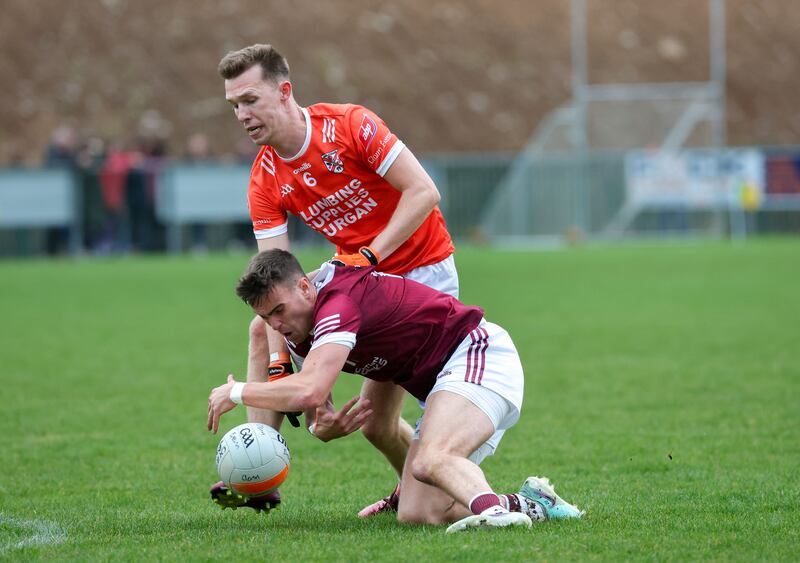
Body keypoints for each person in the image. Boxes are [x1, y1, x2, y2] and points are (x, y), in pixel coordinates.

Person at [212, 43, 459, 515]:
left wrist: (369, 255)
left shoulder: (348, 125)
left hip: (421, 271)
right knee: (263, 327)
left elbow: (424, 191)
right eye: (234, 106)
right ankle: (259, 470)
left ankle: (422, 493)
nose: (241, 115)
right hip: (359, 277)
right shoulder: (265, 177)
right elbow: (276, 286)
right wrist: (294, 377)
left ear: (285, 92)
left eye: (250, 101)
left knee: (377, 425)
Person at [207, 250, 583, 532]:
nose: (275, 323)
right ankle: (531, 503)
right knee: (418, 514)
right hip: (440, 383)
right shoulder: (299, 328)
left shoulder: (338, 301)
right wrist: (319, 427)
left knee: (431, 459)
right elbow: (315, 405)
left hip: (476, 353)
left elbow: (309, 389)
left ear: (305, 287)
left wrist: (237, 392)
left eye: (279, 310)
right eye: (265, 317)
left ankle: (496, 514)